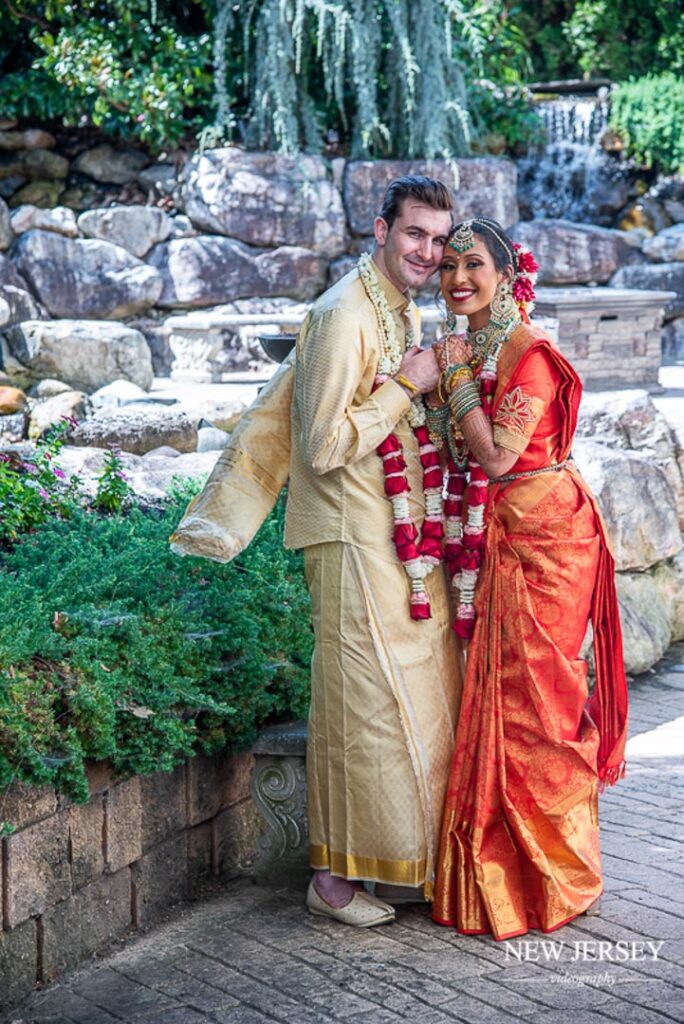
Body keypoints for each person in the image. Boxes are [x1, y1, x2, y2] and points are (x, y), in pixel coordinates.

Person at [171, 176, 464, 927]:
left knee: (408, 708)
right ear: (381, 230)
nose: (428, 252)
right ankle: (331, 881)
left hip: (396, 534)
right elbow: (323, 444)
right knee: (356, 708)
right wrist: (407, 384)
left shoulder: (398, 307)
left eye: (438, 239)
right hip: (346, 535)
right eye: (414, 234)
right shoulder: (342, 315)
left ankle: (394, 864)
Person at [426, 217, 629, 940]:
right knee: (508, 696)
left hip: (547, 537)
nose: (458, 279)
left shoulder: (529, 355)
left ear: (508, 277)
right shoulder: (477, 345)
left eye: (473, 265)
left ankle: (555, 873)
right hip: (507, 529)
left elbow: (497, 458)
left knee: (540, 702)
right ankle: (507, 866)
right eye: (448, 267)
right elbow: (455, 445)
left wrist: (451, 377)